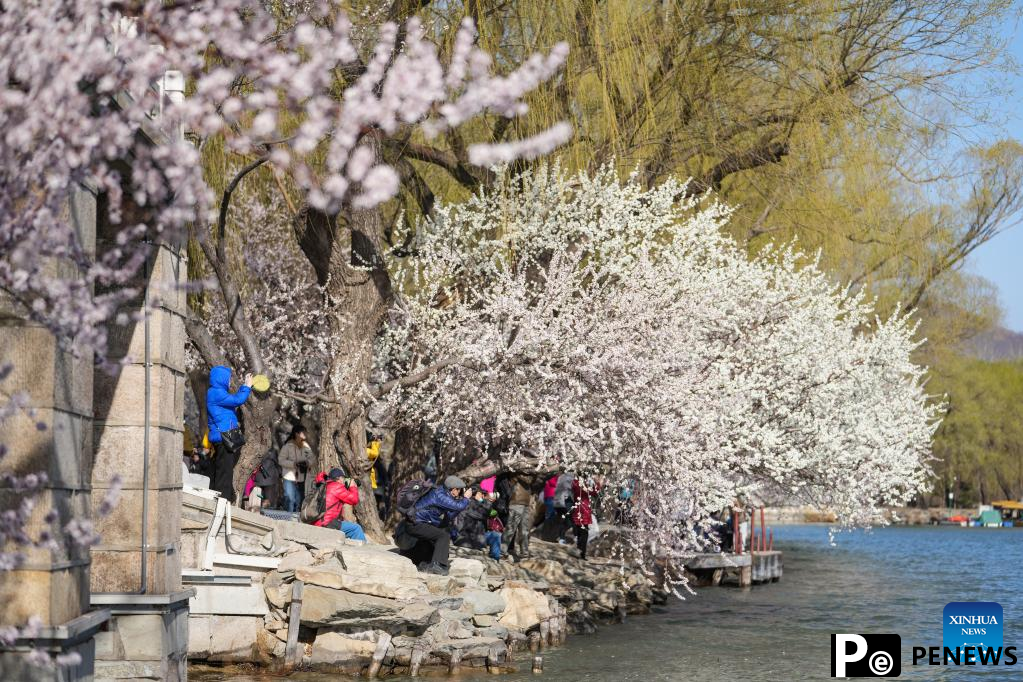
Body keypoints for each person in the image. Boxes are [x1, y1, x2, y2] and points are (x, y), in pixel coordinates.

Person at [206, 366, 253, 503]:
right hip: (223, 438)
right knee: (225, 472)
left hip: (223, 437)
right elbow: (237, 400)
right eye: (227, 379)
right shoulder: (215, 393)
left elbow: (233, 399)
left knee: (223, 469)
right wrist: (247, 386)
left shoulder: (217, 392)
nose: (229, 382)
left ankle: (223, 497)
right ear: (221, 379)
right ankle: (223, 501)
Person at [408, 475, 471, 575]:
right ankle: (437, 565)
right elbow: (458, 506)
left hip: (419, 522)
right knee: (443, 536)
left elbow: (449, 515)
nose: (459, 493)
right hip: (416, 523)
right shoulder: (440, 495)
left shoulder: (443, 494)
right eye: (459, 490)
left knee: (440, 534)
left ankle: (429, 563)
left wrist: (460, 505)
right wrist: (466, 499)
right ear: (453, 489)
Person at [313, 468, 366, 541]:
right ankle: (362, 550)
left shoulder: (324, 486)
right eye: (344, 478)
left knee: (344, 524)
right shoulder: (336, 487)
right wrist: (353, 486)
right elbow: (354, 500)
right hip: (327, 523)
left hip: (317, 522)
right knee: (356, 528)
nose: (344, 481)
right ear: (340, 478)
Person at [279, 425, 315, 513]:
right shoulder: (287, 446)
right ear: (297, 434)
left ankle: (297, 521)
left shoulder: (306, 445)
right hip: (289, 477)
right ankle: (287, 519)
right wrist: (293, 464)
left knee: (300, 500)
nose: (305, 434)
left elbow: (312, 458)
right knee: (290, 499)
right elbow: (281, 460)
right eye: (303, 432)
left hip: (301, 477)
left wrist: (307, 463)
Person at [502, 472, 537, 561]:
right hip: (516, 501)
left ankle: (524, 552)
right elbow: (528, 480)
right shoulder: (516, 470)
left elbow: (533, 480)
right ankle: (501, 551)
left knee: (524, 530)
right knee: (511, 528)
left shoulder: (529, 472)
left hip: (525, 502)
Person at [571, 476, 601, 560]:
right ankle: (581, 553)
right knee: (584, 533)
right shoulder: (584, 486)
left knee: (580, 532)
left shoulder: (575, 484)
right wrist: (597, 483)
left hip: (577, 510)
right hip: (584, 511)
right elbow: (595, 492)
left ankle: (579, 551)